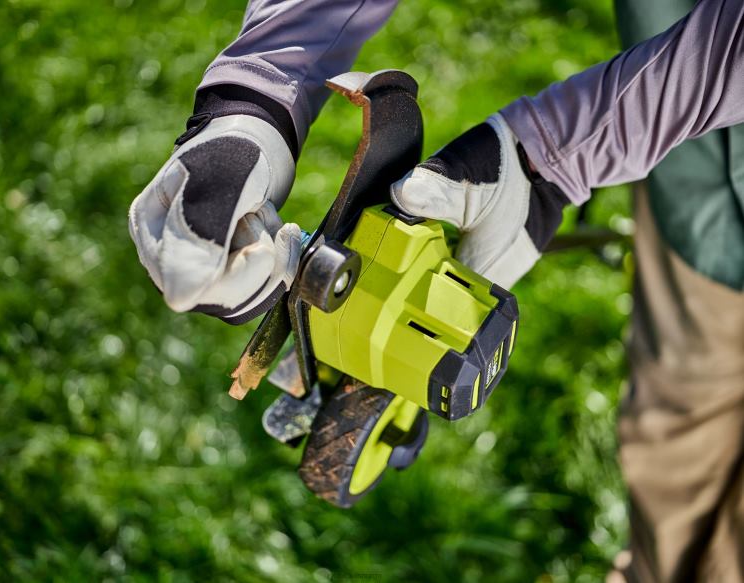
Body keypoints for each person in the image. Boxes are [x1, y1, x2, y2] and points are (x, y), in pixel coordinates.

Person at [127, 0, 744, 580]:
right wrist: (258, 94)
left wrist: (561, 153)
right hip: (687, 188)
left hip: (654, 126)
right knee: (675, 439)